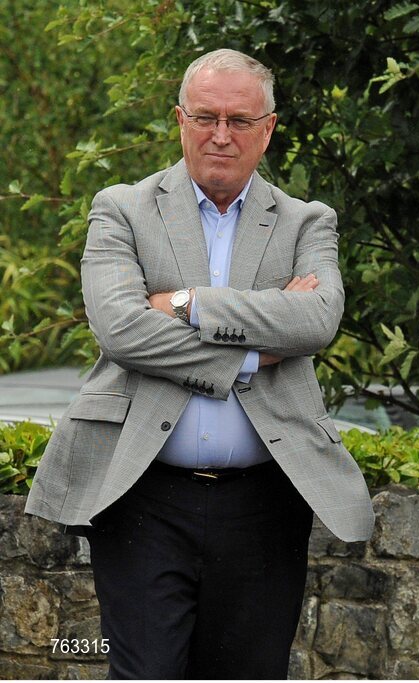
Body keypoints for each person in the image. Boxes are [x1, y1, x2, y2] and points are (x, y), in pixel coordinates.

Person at [25, 49, 374, 679]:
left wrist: (186, 303)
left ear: (268, 129)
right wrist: (251, 352)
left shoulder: (305, 222)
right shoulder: (122, 208)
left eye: (239, 121)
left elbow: (317, 320)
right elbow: (122, 329)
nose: (221, 135)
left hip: (265, 502)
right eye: (206, 117)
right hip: (142, 495)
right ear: (179, 120)